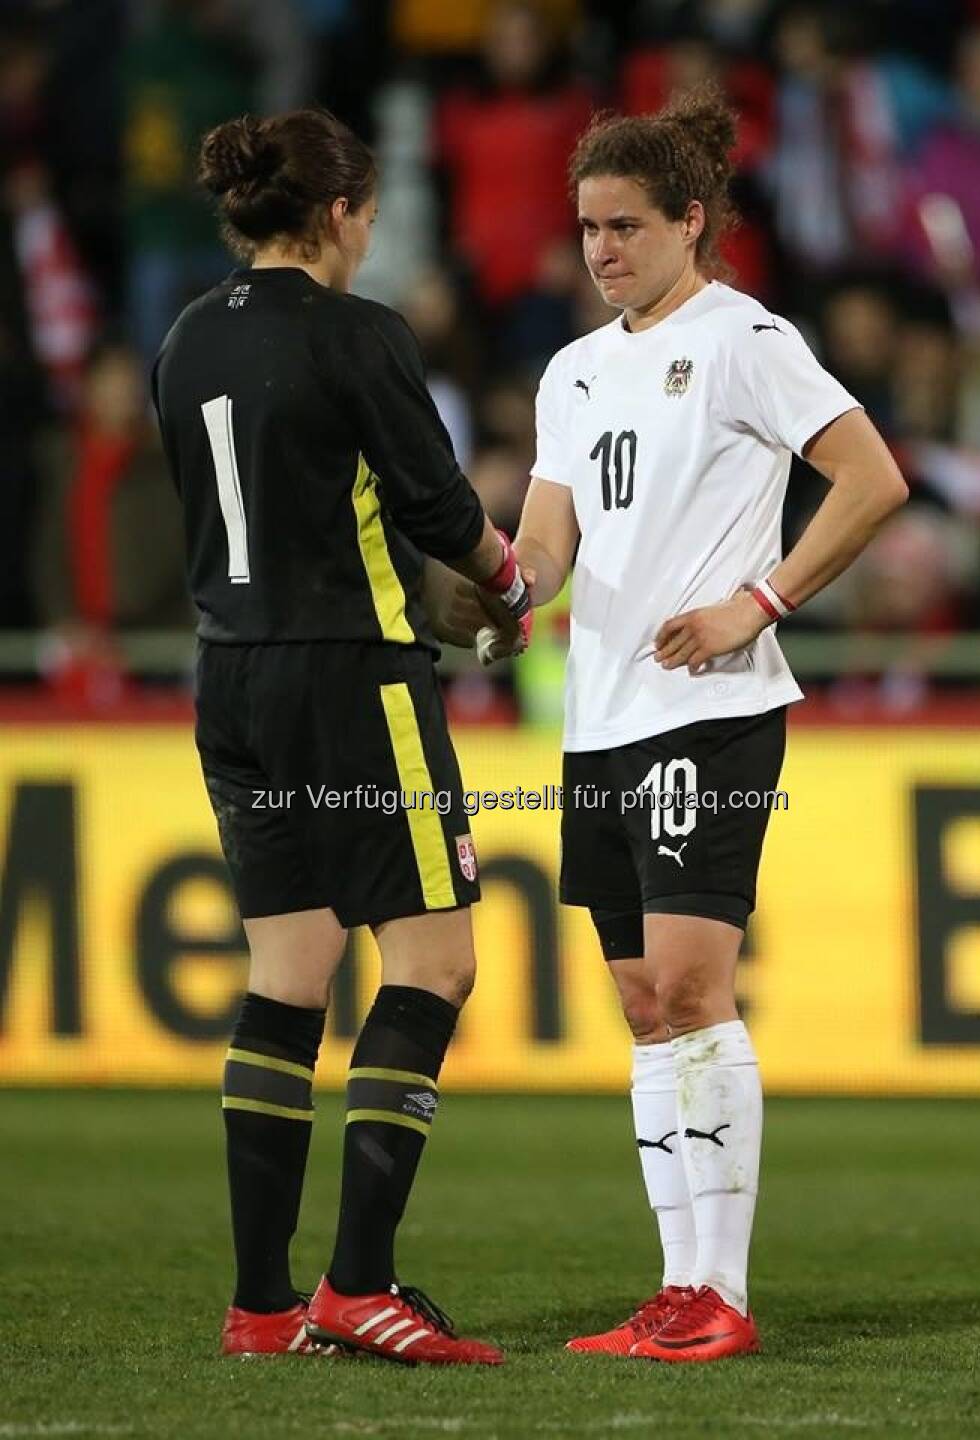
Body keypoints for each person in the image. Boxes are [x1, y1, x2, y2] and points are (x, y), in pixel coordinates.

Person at [511, 82, 908, 1362]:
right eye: (588, 227)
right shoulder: (574, 371)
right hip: (600, 719)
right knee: (645, 1007)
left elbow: (872, 477)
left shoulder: (745, 339)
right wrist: (502, 591)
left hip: (708, 712)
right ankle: (678, 1286)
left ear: (691, 220)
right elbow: (546, 545)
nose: (601, 249)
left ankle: (722, 1297)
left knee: (691, 986)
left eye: (625, 225)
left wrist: (761, 601)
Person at [151, 108, 530, 1364]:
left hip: (231, 678)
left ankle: (262, 1307)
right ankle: (359, 1284)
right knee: (433, 965)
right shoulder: (358, 331)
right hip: (351, 682)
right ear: (336, 214)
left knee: (288, 973)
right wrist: (511, 589)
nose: (368, 237)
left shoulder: (185, 338)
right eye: (365, 215)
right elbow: (437, 505)